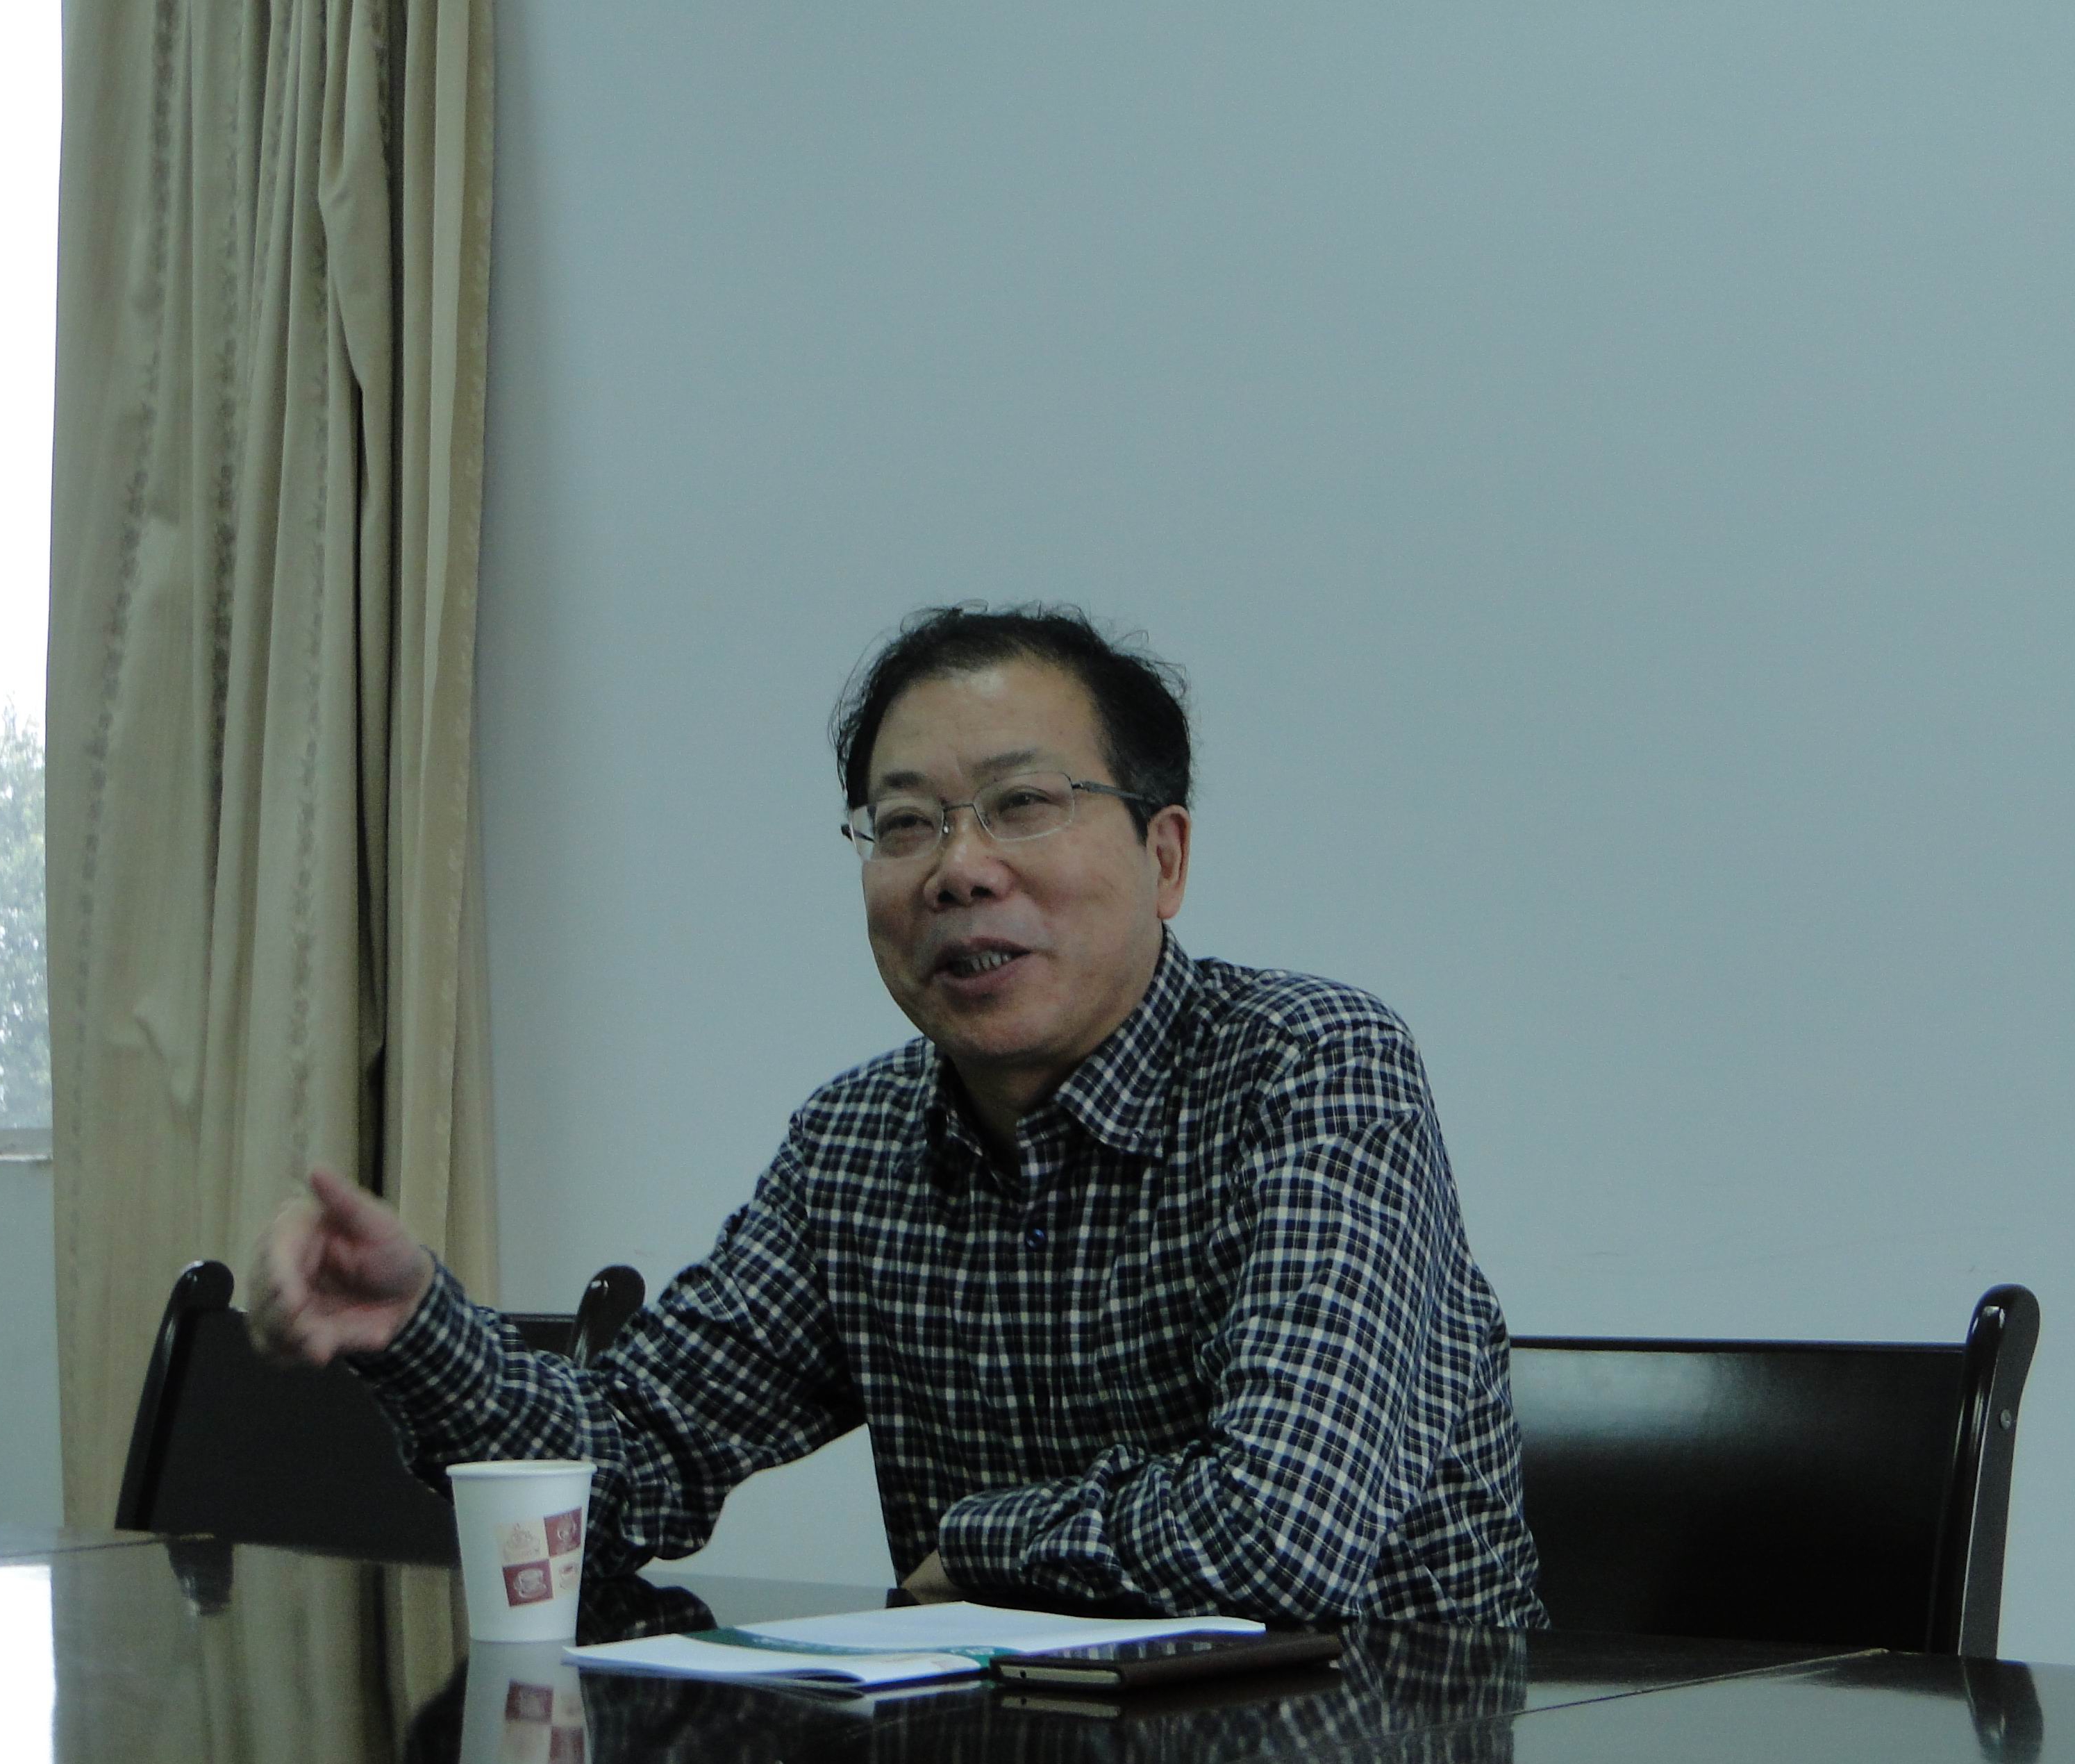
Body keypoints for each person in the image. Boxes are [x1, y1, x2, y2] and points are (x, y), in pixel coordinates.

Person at [250, 605, 1544, 1626]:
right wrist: (419, 1331)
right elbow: (629, 1466)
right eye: (906, 824)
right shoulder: (856, 1146)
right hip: (1002, 1757)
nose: (959, 869)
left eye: (1025, 805)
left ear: (1165, 859)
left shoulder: (1313, 1068)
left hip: (1374, 1745)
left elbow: (1283, 1534)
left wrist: (978, 1542)